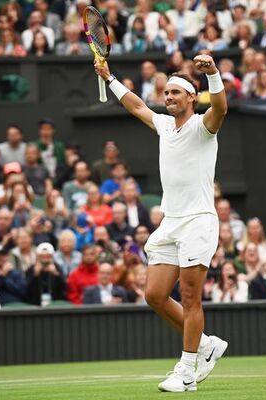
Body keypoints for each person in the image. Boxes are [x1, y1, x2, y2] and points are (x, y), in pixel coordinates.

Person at [93, 52, 228, 392]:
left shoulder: (203, 126)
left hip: (198, 221)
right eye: (166, 93)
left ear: (191, 98)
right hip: (170, 222)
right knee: (154, 294)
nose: (168, 97)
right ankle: (207, 344)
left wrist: (213, 74)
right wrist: (109, 78)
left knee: (191, 296)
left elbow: (221, 108)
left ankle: (187, 370)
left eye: (175, 93)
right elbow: (137, 105)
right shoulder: (164, 125)